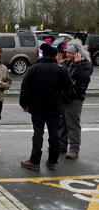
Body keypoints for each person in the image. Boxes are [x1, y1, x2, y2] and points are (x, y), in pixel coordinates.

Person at [20, 43, 73, 171]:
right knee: (54, 134)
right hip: (55, 107)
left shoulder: (34, 68)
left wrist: (24, 104)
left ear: (43, 54)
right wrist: (61, 100)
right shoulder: (61, 69)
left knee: (38, 133)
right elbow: (69, 90)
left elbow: (25, 89)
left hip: (37, 107)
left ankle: (34, 161)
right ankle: (53, 161)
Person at [58, 41, 93, 159]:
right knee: (61, 123)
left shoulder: (86, 65)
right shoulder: (68, 63)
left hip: (75, 99)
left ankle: (74, 149)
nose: (67, 54)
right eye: (67, 52)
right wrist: (59, 65)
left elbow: (84, 78)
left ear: (77, 54)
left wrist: (78, 64)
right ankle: (61, 145)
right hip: (64, 97)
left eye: (69, 53)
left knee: (72, 124)